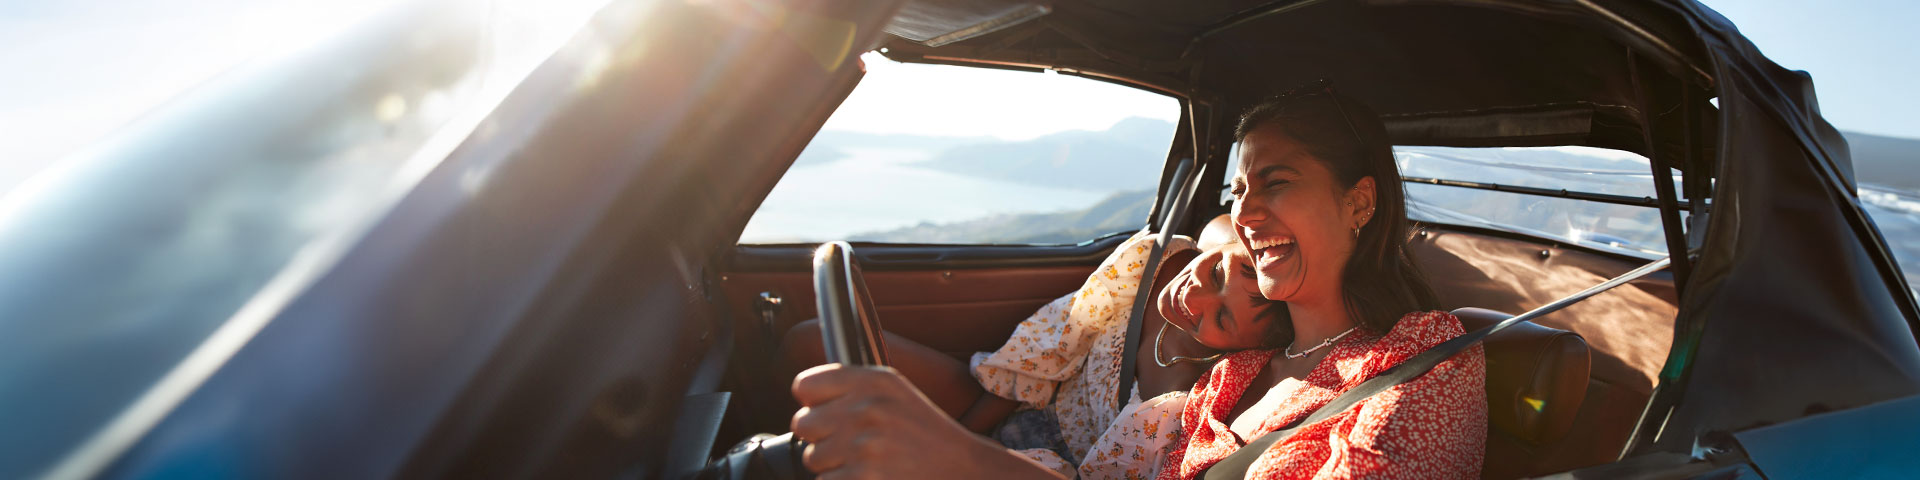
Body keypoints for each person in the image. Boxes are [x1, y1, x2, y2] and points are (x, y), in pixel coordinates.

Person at [1154, 82, 1487, 479]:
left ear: (1359, 203)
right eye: (1238, 190)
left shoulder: (1420, 353)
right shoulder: (1228, 377)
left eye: (1275, 183)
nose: (1241, 213)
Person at [783, 224, 1282, 479]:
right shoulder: (1160, 262)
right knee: (811, 341)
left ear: (1246, 346)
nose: (1194, 298)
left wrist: (959, 450)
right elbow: (1050, 351)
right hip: (1016, 402)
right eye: (1218, 272)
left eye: (1222, 319)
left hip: (1038, 470)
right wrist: (965, 428)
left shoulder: (1193, 400)